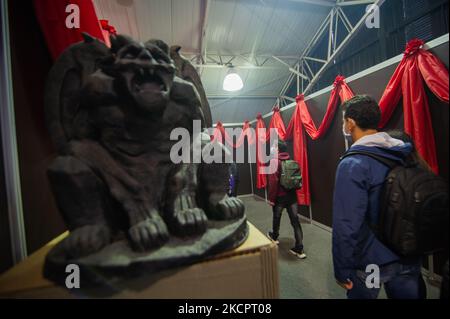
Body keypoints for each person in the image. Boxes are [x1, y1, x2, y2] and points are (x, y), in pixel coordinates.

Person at [333, 95, 423, 299]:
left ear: (350, 123)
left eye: (343, 120)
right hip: (407, 255)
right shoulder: (402, 152)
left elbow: (346, 224)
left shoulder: (352, 164)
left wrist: (342, 268)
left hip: (372, 263)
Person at [267, 140, 306, 259]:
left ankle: (274, 236)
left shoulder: (274, 162)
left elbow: (273, 183)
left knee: (277, 217)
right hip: (292, 197)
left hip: (279, 197)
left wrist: (271, 199)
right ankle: (299, 249)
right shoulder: (291, 160)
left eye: (274, 146)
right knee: (295, 221)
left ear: (278, 149)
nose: (272, 148)